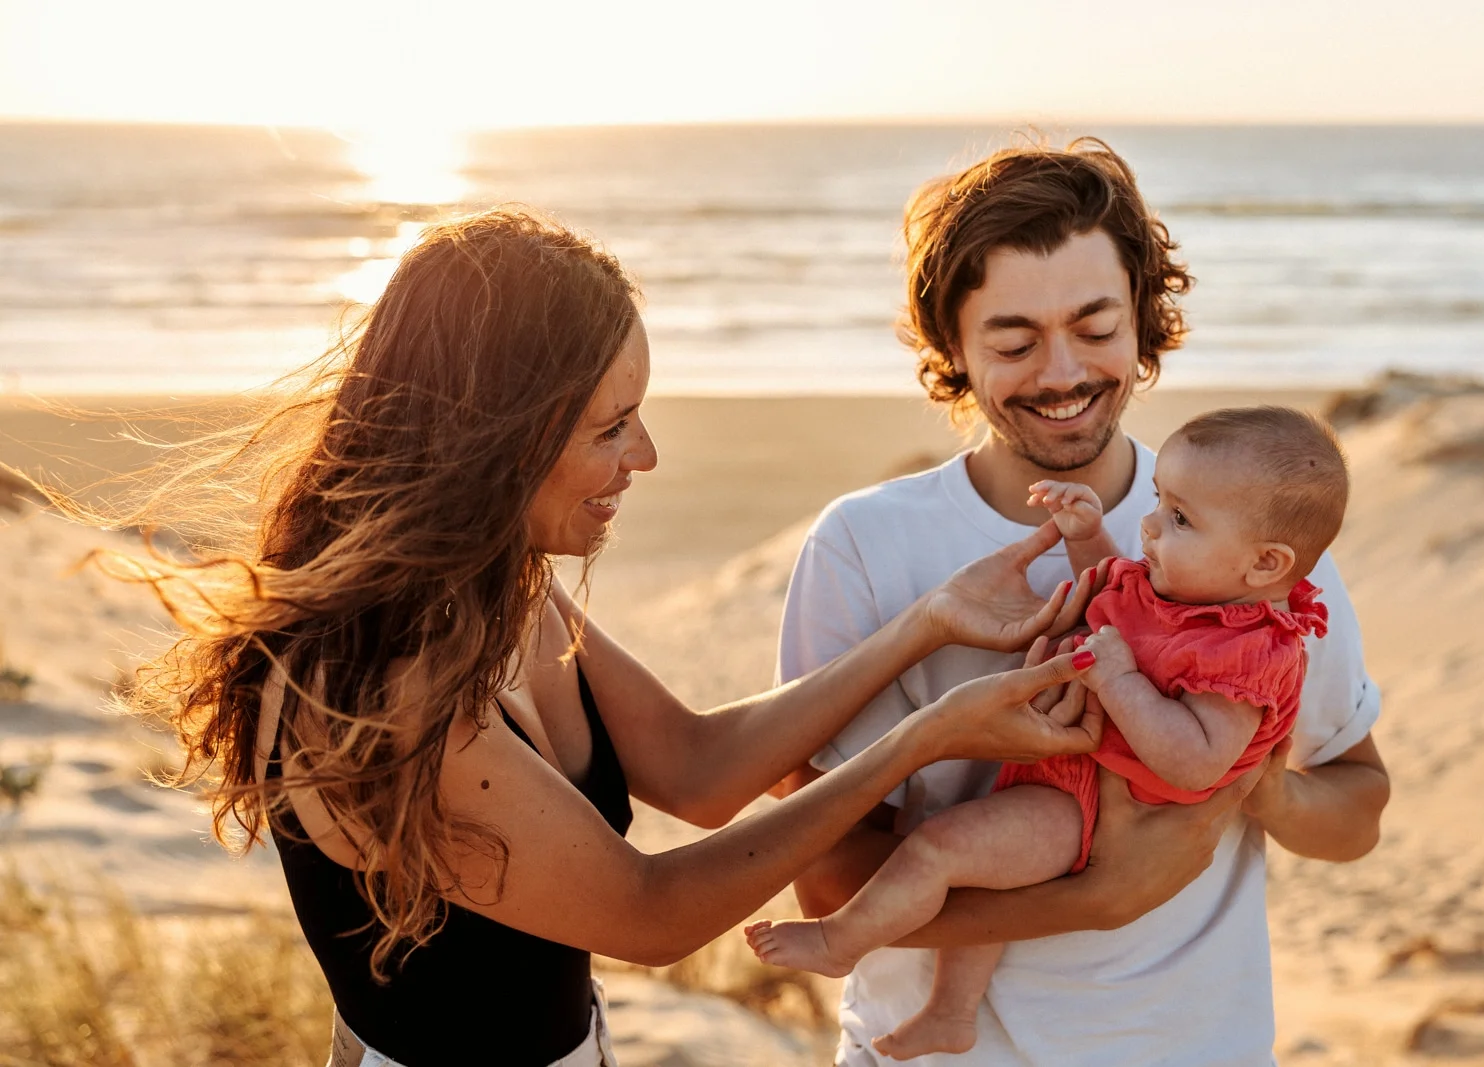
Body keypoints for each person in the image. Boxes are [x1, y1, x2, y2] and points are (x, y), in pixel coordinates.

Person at [74, 209, 1121, 1067]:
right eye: (612, 425)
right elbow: (651, 913)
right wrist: (927, 734)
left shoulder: (498, 586)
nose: (647, 455)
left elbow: (698, 767)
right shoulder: (383, 684)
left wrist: (923, 626)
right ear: (496, 433)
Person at [774, 140, 1390, 1065]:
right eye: (1015, 343)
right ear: (953, 346)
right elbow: (826, 883)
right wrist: (1103, 893)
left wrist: (1246, 785)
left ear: (1146, 321)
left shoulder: (1257, 545)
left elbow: (1355, 803)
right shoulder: (865, 546)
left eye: (1097, 329)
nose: (1062, 374)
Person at [750, 405, 1347, 1059]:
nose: (1149, 526)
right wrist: (1085, 534)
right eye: (1158, 501)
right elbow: (1107, 598)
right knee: (977, 867)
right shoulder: (1173, 590)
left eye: (1179, 518)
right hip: (1073, 775)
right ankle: (951, 1012)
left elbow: (1196, 762)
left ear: (1265, 564)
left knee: (940, 847)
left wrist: (1118, 679)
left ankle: (841, 941)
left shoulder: (1250, 653)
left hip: (1107, 810)